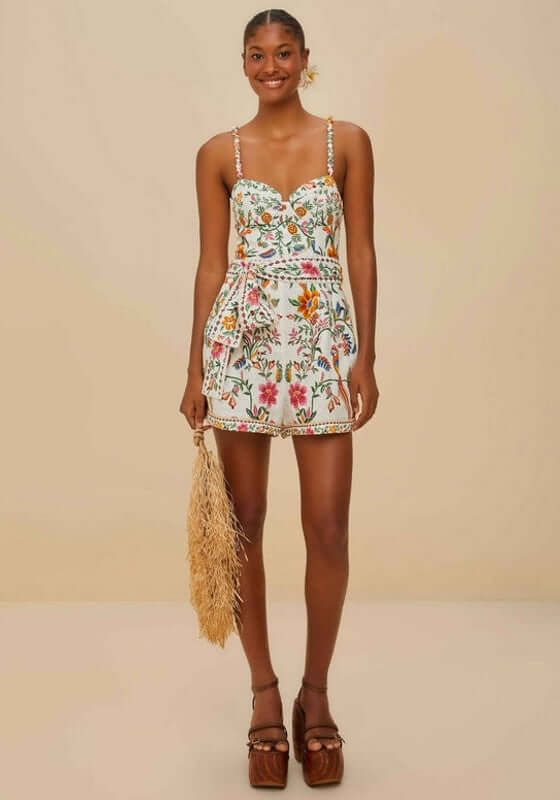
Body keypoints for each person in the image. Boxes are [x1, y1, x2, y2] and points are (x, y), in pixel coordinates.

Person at [179, 8, 379, 788]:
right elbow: (211, 264)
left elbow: (361, 251)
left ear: (304, 59)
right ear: (243, 63)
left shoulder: (346, 143)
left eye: (284, 53)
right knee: (247, 525)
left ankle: (314, 695)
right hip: (242, 348)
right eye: (257, 55)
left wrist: (365, 356)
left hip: (323, 346)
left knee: (328, 528)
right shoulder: (218, 153)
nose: (271, 66)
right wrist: (195, 369)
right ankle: (264, 695)